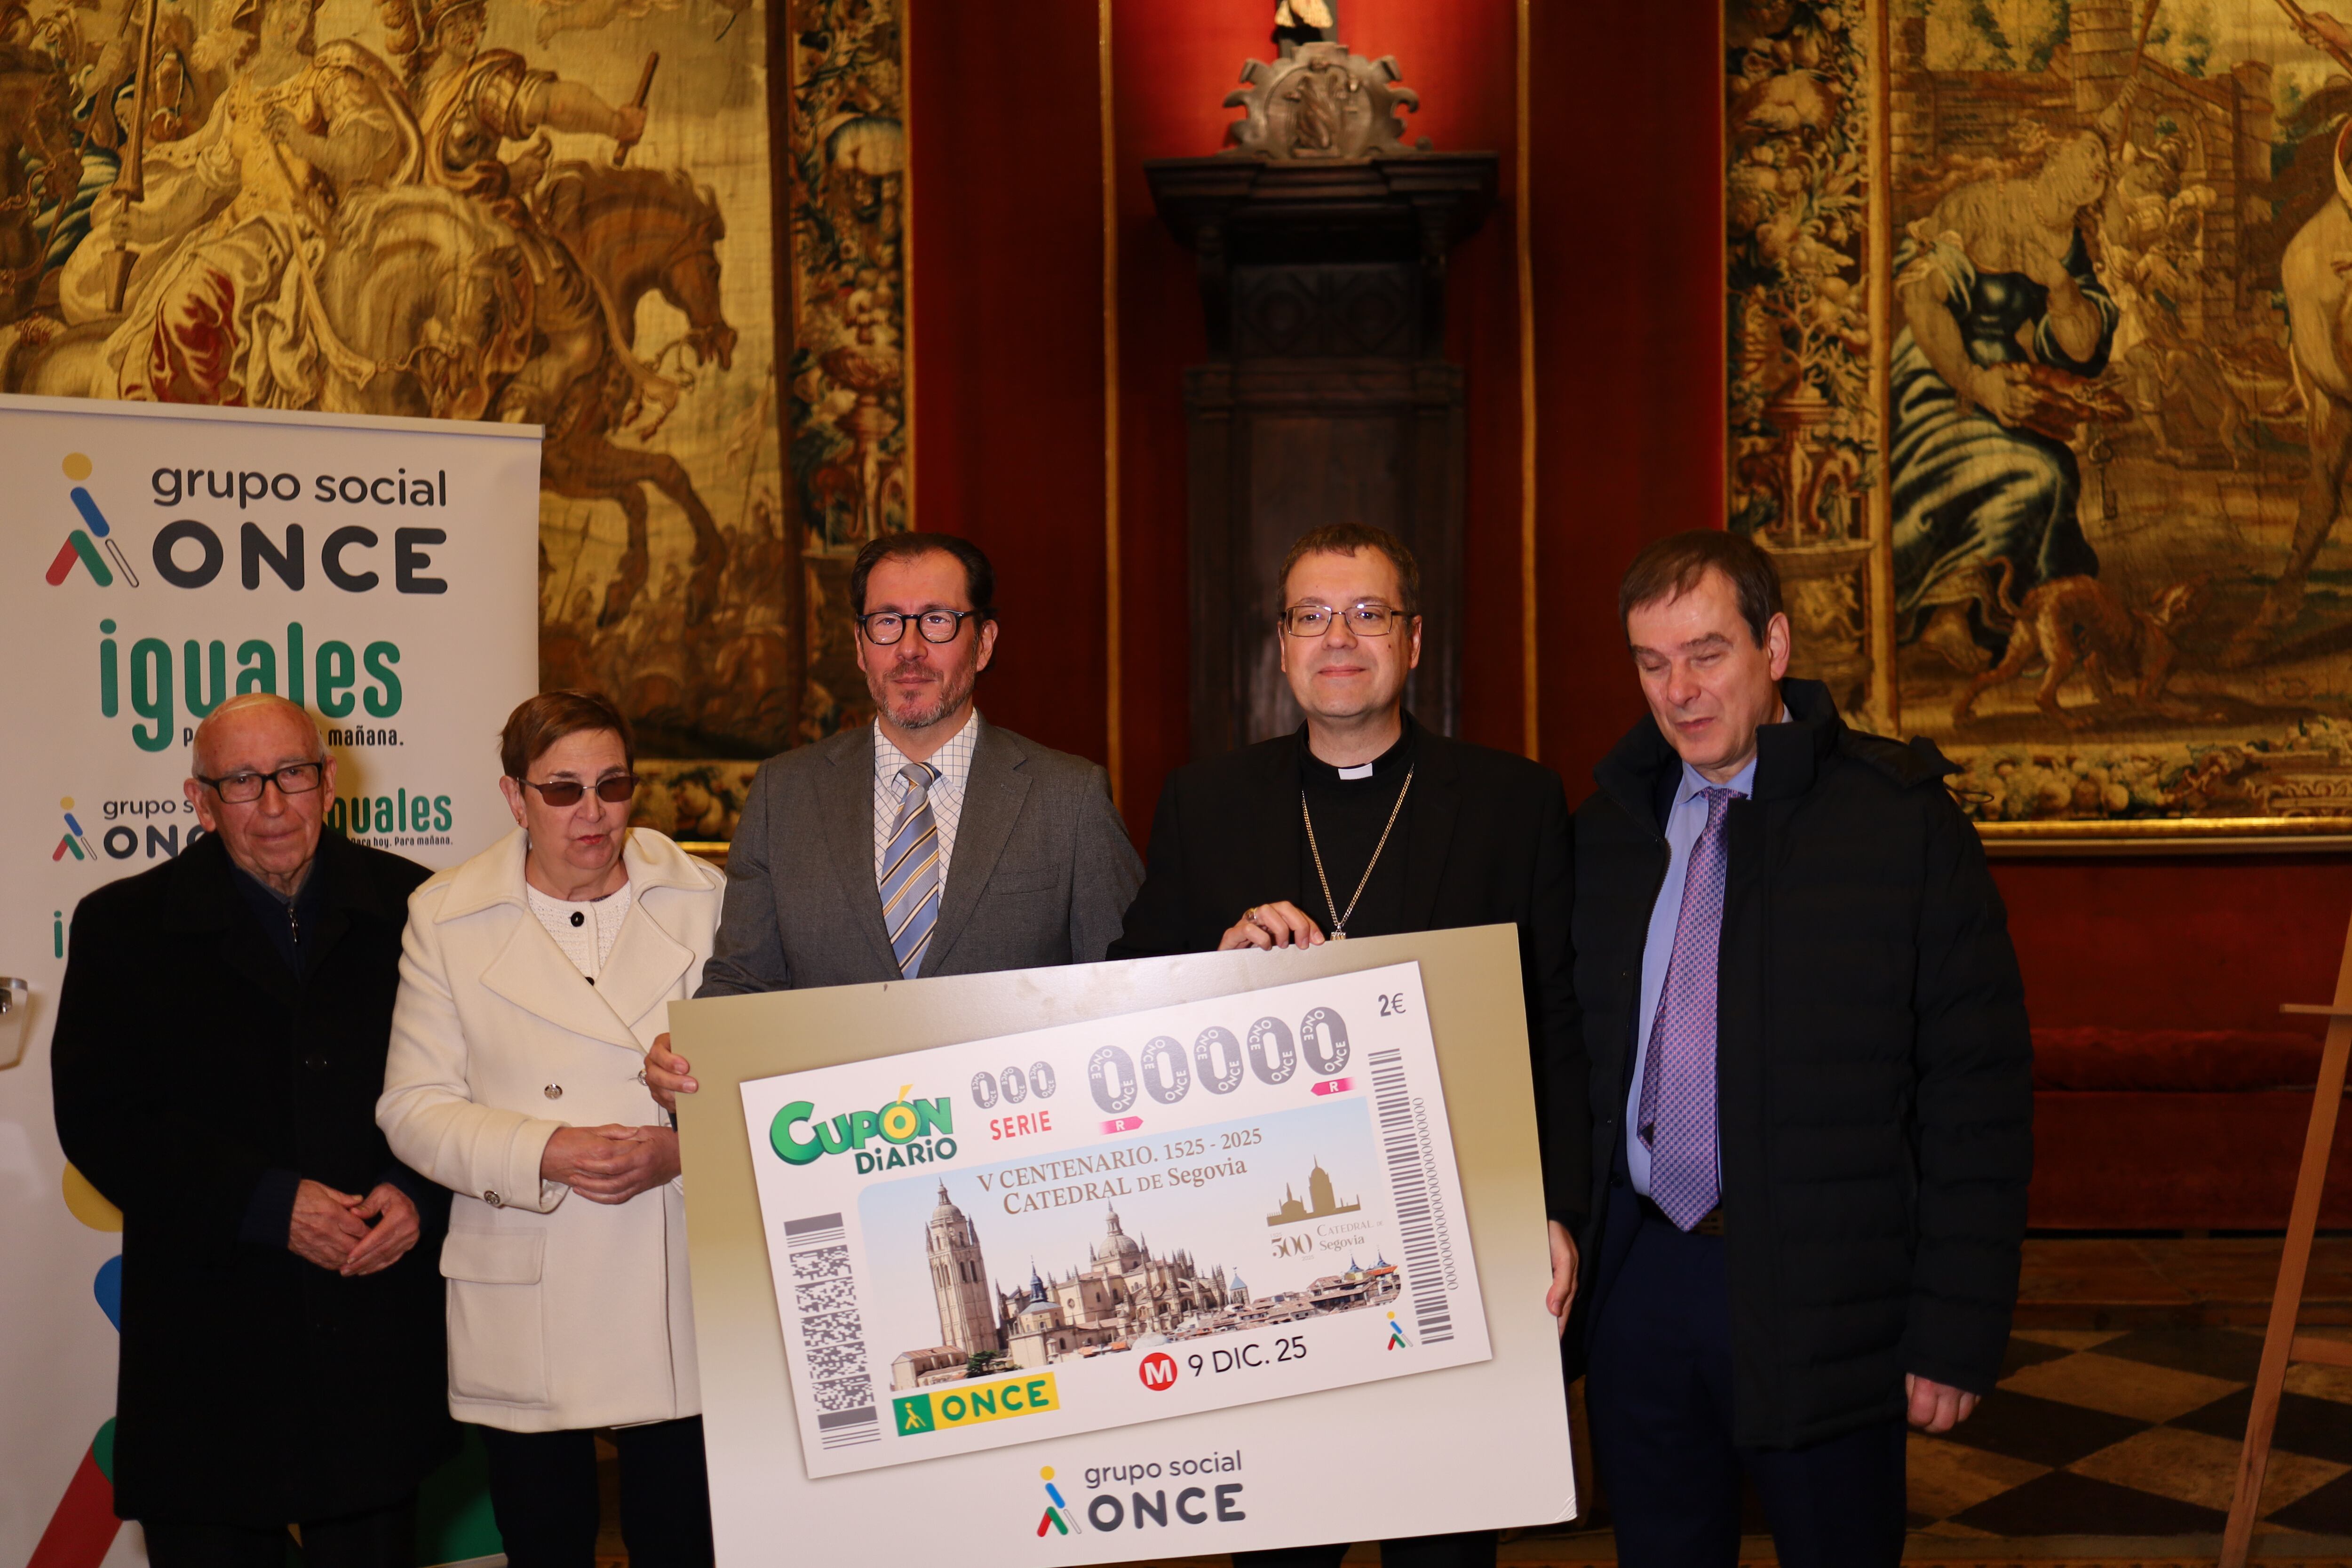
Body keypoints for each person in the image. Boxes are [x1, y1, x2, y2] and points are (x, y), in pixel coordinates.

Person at [1110, 522, 1580, 1568]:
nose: (1340, 637)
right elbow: (1128, 1001)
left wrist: (1556, 1206)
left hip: (1457, 1233)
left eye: (1368, 613)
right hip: (1267, 1256)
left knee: (1444, 1546)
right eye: (1313, 615)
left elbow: (1554, 1021)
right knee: (1284, 1546)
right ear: (1280, 645)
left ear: (1413, 640)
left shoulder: (1513, 802)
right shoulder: (1204, 802)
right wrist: (1218, 961)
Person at [1561, 530, 2032, 1566]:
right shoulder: (1605, 831)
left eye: (1707, 653)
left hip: (1827, 1297)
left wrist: (1955, 1328)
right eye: (1652, 663)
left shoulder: (1899, 825)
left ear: (1773, 645)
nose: (1680, 691)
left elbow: (1977, 1094)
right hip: (1643, 1281)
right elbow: (1560, 1057)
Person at [51, 692, 453, 1568]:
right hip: (210, 1350)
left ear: (330, 782)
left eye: (292, 774)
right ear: (200, 802)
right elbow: (101, 1120)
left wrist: (420, 1193)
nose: (272, 804)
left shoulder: (418, 907)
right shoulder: (121, 926)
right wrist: (268, 1205)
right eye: (241, 781)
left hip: (372, 1335)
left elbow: (469, 1088)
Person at [378, 691, 726, 1568]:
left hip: (680, 1268)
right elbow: (412, 1107)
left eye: (614, 785)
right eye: (564, 790)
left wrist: (681, 1149)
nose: (594, 812)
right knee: (545, 1545)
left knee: (684, 1542)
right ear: (515, 796)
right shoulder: (445, 915)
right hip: (528, 1273)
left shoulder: (708, 897)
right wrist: (545, 1151)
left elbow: (770, 1086)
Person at [644, 531, 1141, 1105]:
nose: (909, 649)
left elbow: (1122, 992)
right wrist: (689, 1061)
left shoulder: (1069, 798)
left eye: (936, 621)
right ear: (860, 646)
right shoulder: (784, 793)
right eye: (886, 622)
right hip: (839, 1135)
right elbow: (745, 982)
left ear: (983, 643)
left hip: (1016, 1134)